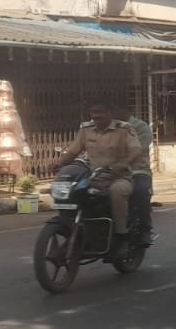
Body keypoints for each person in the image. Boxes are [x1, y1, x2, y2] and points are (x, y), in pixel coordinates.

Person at [56, 102, 142, 256]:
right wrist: (59, 163)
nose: (96, 116)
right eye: (93, 112)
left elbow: (136, 150)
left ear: (110, 113)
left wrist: (123, 164)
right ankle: (73, 233)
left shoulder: (124, 129)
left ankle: (122, 237)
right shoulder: (86, 129)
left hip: (119, 177)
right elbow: (73, 151)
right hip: (94, 178)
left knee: (117, 192)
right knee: (73, 192)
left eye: (100, 112)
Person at [125, 105, 155, 246]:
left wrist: (121, 163)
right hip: (106, 170)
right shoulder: (99, 127)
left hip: (137, 169)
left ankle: (145, 229)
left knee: (140, 190)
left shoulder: (140, 127)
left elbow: (138, 150)